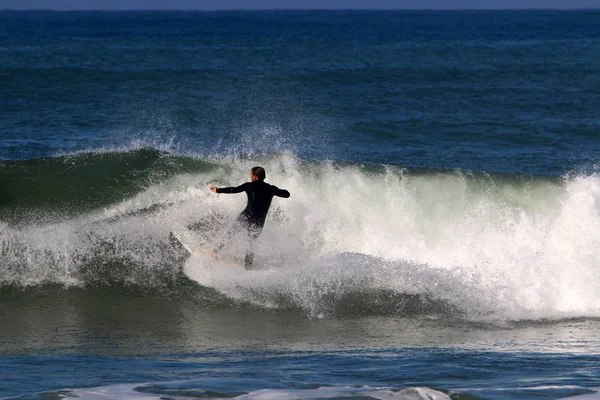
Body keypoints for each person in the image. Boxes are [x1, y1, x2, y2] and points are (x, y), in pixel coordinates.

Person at [210, 166, 290, 269]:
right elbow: (287, 194)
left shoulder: (249, 186)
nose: (250, 175)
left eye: (251, 174)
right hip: (259, 222)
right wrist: (278, 191)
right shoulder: (271, 188)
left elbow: (233, 190)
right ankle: (248, 269)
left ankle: (214, 252)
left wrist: (218, 190)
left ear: (255, 177)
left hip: (246, 216)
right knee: (250, 245)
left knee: (230, 233)